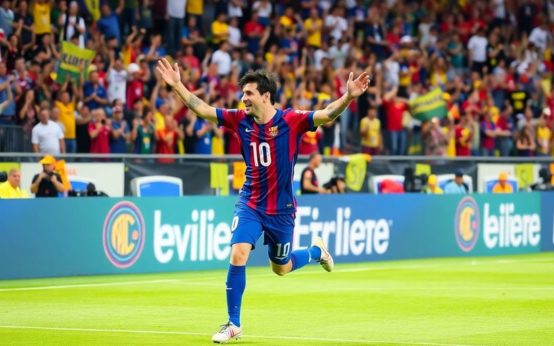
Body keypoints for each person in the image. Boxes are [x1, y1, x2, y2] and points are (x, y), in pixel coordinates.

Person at [156, 58, 369, 343]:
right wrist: (178, 85)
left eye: (249, 93)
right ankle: (233, 324)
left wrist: (348, 97)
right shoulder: (238, 120)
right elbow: (202, 109)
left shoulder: (291, 121)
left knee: (281, 267)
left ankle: (317, 252)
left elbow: (327, 114)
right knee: (238, 252)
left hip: (281, 210)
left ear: (265, 96)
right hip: (251, 203)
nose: (243, 99)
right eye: (243, 93)